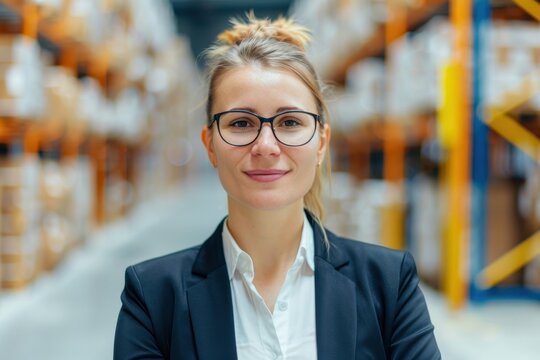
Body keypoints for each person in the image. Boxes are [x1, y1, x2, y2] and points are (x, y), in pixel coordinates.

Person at [114, 14, 441, 360]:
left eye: (289, 122)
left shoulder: (390, 284)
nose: (266, 145)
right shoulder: (152, 296)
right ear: (209, 145)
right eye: (241, 123)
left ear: (321, 143)